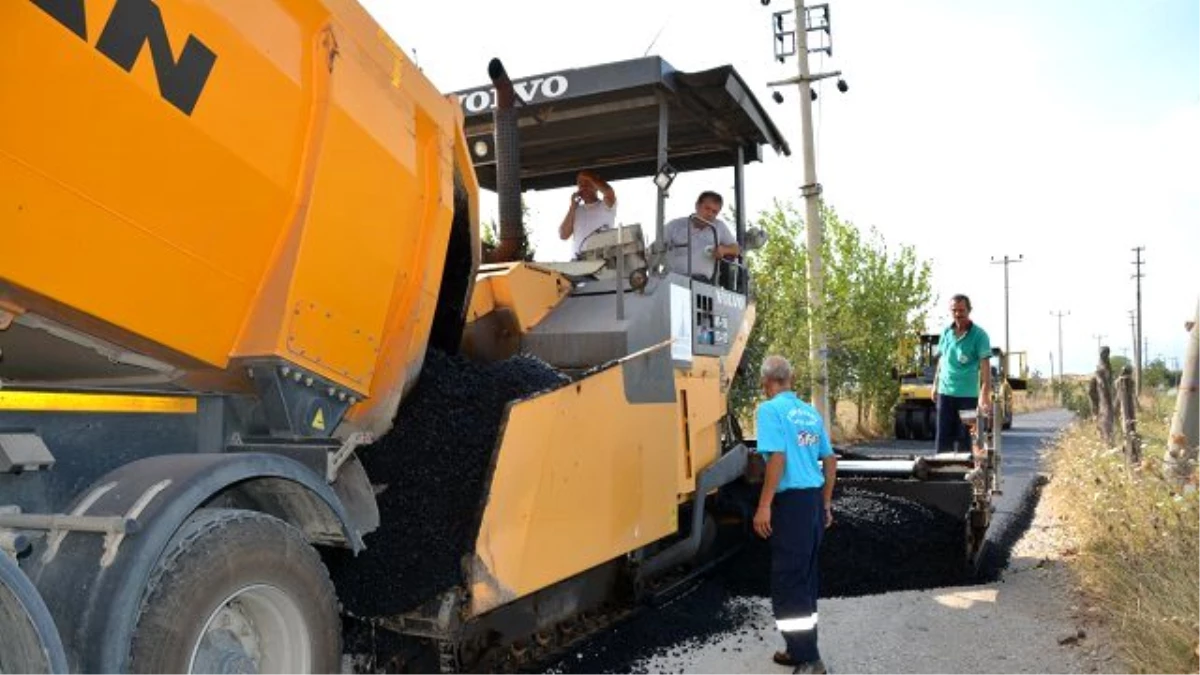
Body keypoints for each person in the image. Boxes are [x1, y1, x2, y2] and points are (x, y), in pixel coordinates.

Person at [753, 355, 836, 675]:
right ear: (790, 379)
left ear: (767, 383)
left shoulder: (770, 409)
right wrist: (826, 503)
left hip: (791, 507)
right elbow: (830, 460)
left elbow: (777, 457)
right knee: (805, 579)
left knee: (789, 582)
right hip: (812, 504)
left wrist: (763, 505)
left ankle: (810, 660)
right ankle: (798, 648)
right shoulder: (810, 413)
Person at [932, 294, 993, 453]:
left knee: (965, 438)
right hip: (945, 393)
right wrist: (935, 385)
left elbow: (985, 365)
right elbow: (942, 360)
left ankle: (963, 475)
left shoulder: (979, 335)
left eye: (961, 310)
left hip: (967, 395)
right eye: (954, 310)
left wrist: (984, 393)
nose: (958, 314)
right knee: (943, 436)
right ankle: (942, 472)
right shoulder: (946, 333)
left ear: (969, 310)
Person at [664, 191, 740, 281]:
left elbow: (736, 249)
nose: (710, 214)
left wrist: (723, 250)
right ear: (697, 206)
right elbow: (655, 248)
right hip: (673, 278)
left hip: (702, 282)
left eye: (714, 212)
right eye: (707, 208)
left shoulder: (719, 227)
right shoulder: (675, 225)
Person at [558, 169, 617, 258]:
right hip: (578, 264)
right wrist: (572, 207)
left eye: (587, 183)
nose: (583, 187)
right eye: (580, 184)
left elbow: (609, 192)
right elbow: (563, 235)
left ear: (596, 186)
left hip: (602, 261)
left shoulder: (605, 206)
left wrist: (590, 176)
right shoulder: (576, 210)